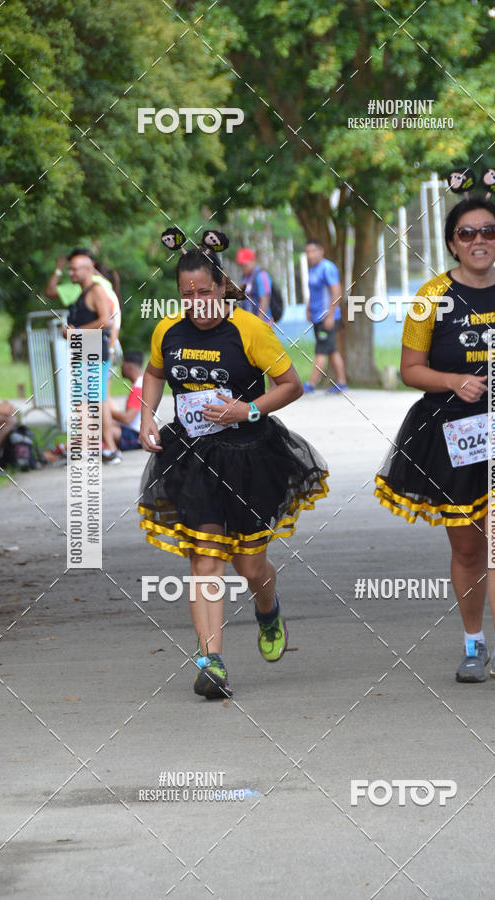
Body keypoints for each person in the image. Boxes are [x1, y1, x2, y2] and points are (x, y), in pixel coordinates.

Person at [374, 194, 495, 685]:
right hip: (453, 432)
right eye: (468, 233)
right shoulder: (431, 296)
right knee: (468, 548)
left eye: (489, 231)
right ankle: (472, 643)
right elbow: (410, 369)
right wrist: (453, 381)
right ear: (451, 244)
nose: (479, 240)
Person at [138, 231, 329, 700]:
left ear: (222, 287)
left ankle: (267, 606)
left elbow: (292, 384)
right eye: (187, 295)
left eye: (204, 292)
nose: (196, 302)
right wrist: (146, 415)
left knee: (250, 565)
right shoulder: (168, 330)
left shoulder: (249, 329)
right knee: (205, 558)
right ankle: (211, 661)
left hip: (248, 454)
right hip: (192, 456)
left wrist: (248, 410)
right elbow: (155, 373)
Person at [62, 249, 120, 463]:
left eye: (75, 268)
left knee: (83, 401)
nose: (71, 272)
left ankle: (86, 448)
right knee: (98, 400)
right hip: (88, 349)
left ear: (88, 270)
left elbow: (107, 321)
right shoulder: (82, 293)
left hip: (93, 349)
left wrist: (76, 332)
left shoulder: (96, 291)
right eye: (70, 268)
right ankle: (110, 449)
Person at [302, 239, 348, 393]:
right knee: (332, 350)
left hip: (327, 317)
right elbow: (314, 292)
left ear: (321, 251)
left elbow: (336, 292)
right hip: (316, 316)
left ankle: (311, 384)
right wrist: (308, 308)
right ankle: (342, 382)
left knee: (321, 350)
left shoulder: (327, 268)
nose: (310, 255)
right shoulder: (312, 269)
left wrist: (330, 315)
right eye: (308, 252)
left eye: (313, 251)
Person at [110, 351, 144, 451]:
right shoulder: (142, 383)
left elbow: (127, 418)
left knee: (101, 428)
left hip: (135, 436)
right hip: (133, 432)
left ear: (130, 367)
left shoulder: (139, 387)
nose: (120, 368)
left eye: (122, 364)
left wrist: (104, 411)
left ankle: (66, 448)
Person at [236, 247, 272, 322]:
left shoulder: (261, 275)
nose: (243, 267)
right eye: (241, 265)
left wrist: (259, 322)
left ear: (253, 261)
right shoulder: (245, 277)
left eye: (245, 264)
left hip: (262, 321)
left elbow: (265, 299)